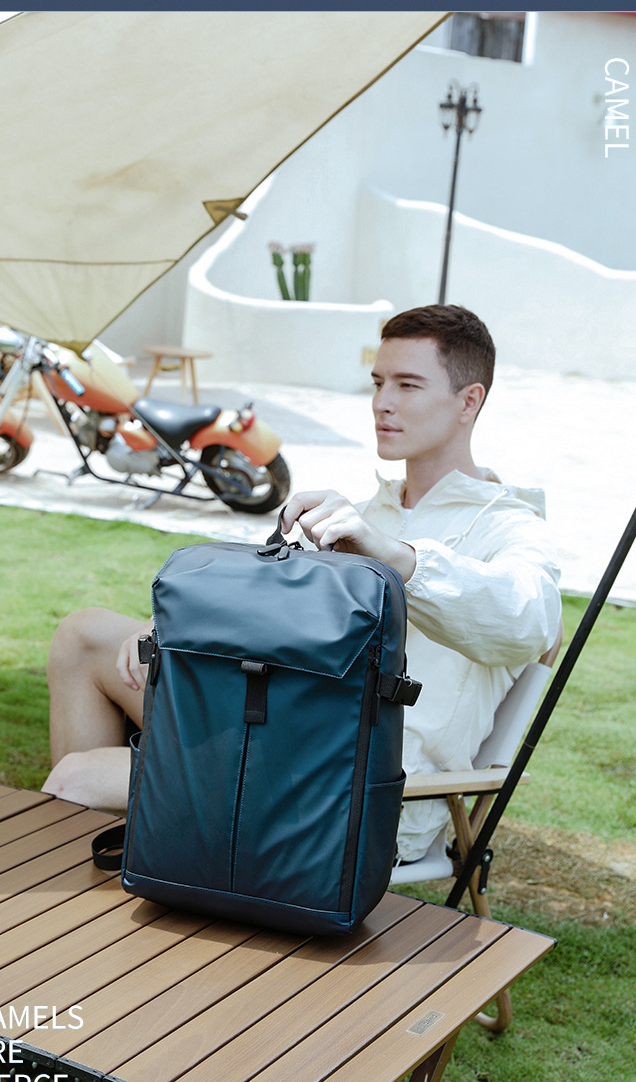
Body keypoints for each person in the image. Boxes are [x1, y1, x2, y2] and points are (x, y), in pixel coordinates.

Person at [44, 304, 562, 864]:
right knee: (84, 636)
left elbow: (528, 622)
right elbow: (279, 623)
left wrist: (397, 559)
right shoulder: (372, 512)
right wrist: (171, 633)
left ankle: (98, 883)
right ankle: (140, 867)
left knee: (77, 778)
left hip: (368, 792)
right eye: (379, 382)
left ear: (469, 401)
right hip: (287, 736)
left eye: (408, 385)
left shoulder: (509, 527)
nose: (382, 403)